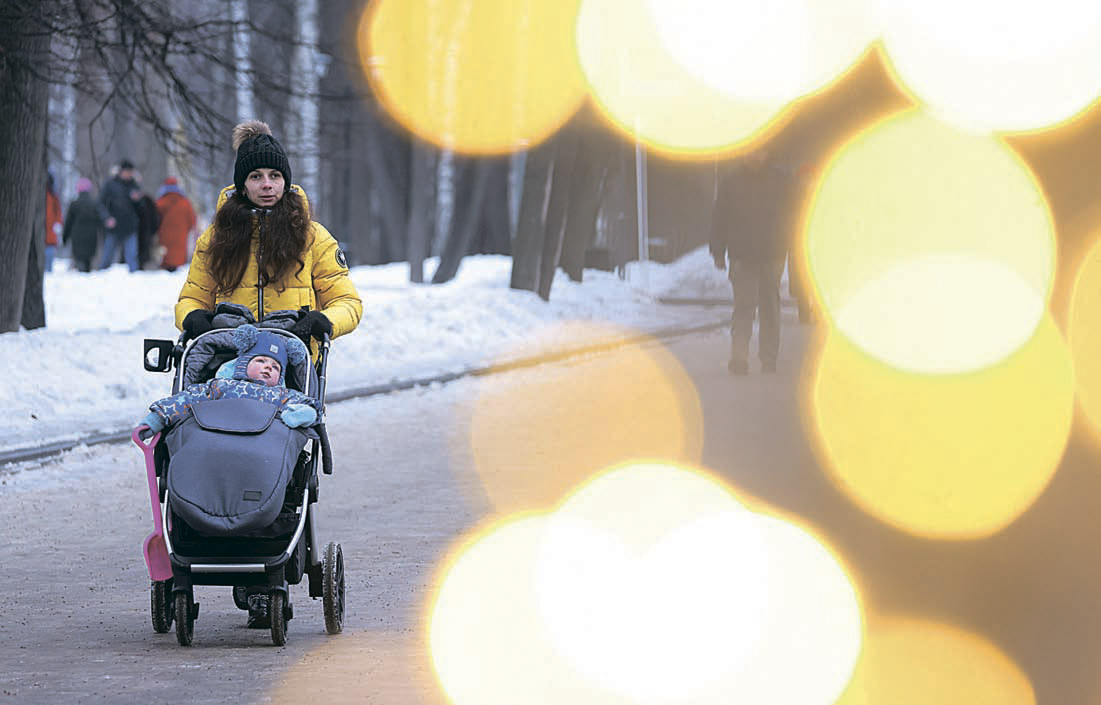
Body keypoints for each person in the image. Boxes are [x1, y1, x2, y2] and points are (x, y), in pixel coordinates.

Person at [175, 120, 361, 349]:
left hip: (293, 357)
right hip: (228, 357)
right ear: (242, 186)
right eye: (256, 176)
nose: (267, 185)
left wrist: (324, 321)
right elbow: (193, 298)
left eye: (274, 176)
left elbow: (347, 301)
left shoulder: (314, 238)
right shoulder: (216, 238)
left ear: (285, 182)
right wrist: (192, 316)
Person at [136, 325, 317, 435]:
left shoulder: (281, 395)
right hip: (217, 432)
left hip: (262, 438)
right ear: (242, 364)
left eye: (276, 367)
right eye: (261, 361)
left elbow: (305, 403)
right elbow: (187, 399)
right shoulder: (221, 386)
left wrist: (303, 413)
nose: (268, 367)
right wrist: (157, 419)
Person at [710, 148, 792, 375]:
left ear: (767, 153)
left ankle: (768, 358)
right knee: (743, 306)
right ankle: (739, 357)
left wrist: (792, 243)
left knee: (769, 306)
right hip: (741, 254)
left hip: (772, 253)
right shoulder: (731, 181)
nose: (755, 156)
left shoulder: (781, 181)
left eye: (760, 152)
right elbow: (720, 216)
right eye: (751, 152)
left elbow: (794, 215)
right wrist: (717, 251)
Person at [97, 159, 142, 271]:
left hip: (130, 226)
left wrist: (137, 200)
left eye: (130, 172)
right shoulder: (110, 184)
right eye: (127, 172)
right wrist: (107, 218)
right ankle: (101, 276)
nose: (128, 174)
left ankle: (134, 278)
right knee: (107, 257)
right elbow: (101, 203)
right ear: (121, 171)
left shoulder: (135, 186)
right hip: (114, 226)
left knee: (132, 257)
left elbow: (141, 209)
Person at [155, 176, 197, 272]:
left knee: (166, 256)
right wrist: (186, 230)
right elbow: (192, 220)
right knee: (177, 261)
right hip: (181, 235)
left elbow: (154, 219)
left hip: (164, 235)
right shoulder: (185, 203)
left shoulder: (160, 202)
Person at [62, 178, 103, 273]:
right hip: (91, 235)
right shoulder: (94, 204)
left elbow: (68, 223)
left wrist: (65, 238)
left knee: (79, 258)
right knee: (88, 259)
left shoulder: (74, 204)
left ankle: (81, 272)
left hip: (77, 235)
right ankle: (87, 273)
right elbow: (100, 221)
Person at [134, 186, 161, 270]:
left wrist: (154, 230)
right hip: (143, 232)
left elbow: (155, 217)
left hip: (145, 231)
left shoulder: (147, 201)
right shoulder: (147, 201)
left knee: (144, 251)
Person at [45, 171, 62, 272]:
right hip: (42, 227)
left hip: (50, 227)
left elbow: (58, 211)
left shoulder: (53, 195)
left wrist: (58, 223)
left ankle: (48, 271)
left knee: (49, 251)